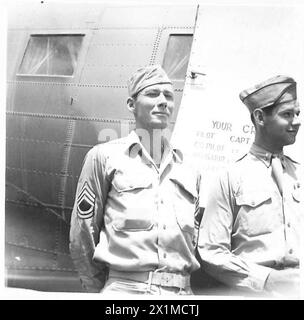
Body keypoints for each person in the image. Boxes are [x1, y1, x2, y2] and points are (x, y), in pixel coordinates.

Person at [69, 65, 202, 295]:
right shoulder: (104, 157)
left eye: (168, 96)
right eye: (152, 94)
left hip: (181, 293)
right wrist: (105, 289)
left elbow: (194, 238)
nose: (163, 101)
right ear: (131, 104)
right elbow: (82, 234)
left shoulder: (188, 168)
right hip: (126, 291)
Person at [198, 75, 302, 297]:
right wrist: (266, 279)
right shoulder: (229, 178)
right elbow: (211, 252)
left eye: (297, 113)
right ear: (260, 117)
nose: (297, 121)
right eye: (287, 114)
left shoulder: (300, 175)